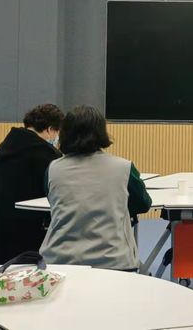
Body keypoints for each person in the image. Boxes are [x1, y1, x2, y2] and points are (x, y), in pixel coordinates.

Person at [40, 105, 151, 271]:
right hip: (113, 261)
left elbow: (53, 201)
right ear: (101, 132)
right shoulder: (124, 168)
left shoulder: (53, 169)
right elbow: (143, 204)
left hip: (59, 261)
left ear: (64, 133)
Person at [0, 104, 64, 266]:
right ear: (49, 129)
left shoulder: (8, 144)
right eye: (57, 132)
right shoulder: (46, 153)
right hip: (20, 235)